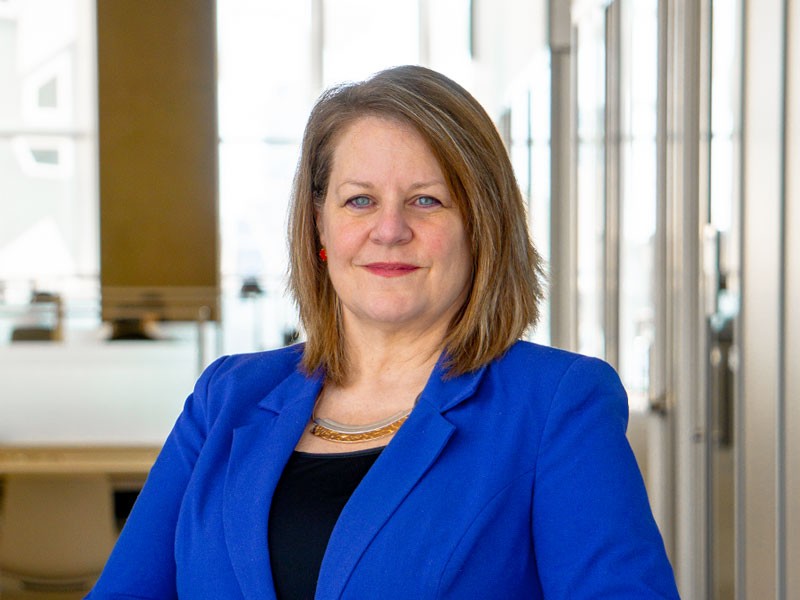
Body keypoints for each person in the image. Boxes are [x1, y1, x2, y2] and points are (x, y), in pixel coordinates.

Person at [87, 65, 679, 599]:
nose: (390, 229)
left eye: (427, 200)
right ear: (320, 227)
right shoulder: (225, 397)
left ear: (481, 227)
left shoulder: (556, 405)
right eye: (360, 201)